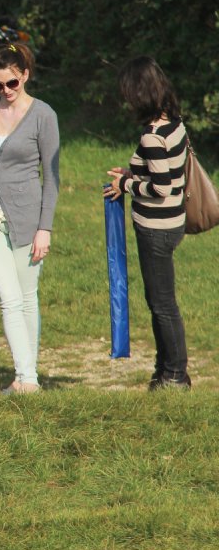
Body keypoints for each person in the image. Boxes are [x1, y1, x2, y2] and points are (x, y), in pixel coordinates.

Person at [0, 43, 59, 395]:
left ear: (25, 76)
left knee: (27, 297)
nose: (4, 91)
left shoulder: (44, 115)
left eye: (11, 83)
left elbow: (52, 178)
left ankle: (26, 378)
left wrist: (44, 228)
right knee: (8, 297)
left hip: (28, 220)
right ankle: (27, 378)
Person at [105, 57, 191, 390]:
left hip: (156, 228)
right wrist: (132, 173)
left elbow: (160, 187)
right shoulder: (174, 123)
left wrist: (125, 185)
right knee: (160, 302)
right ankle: (165, 368)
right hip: (174, 222)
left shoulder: (153, 135)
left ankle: (175, 375)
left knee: (162, 304)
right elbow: (166, 170)